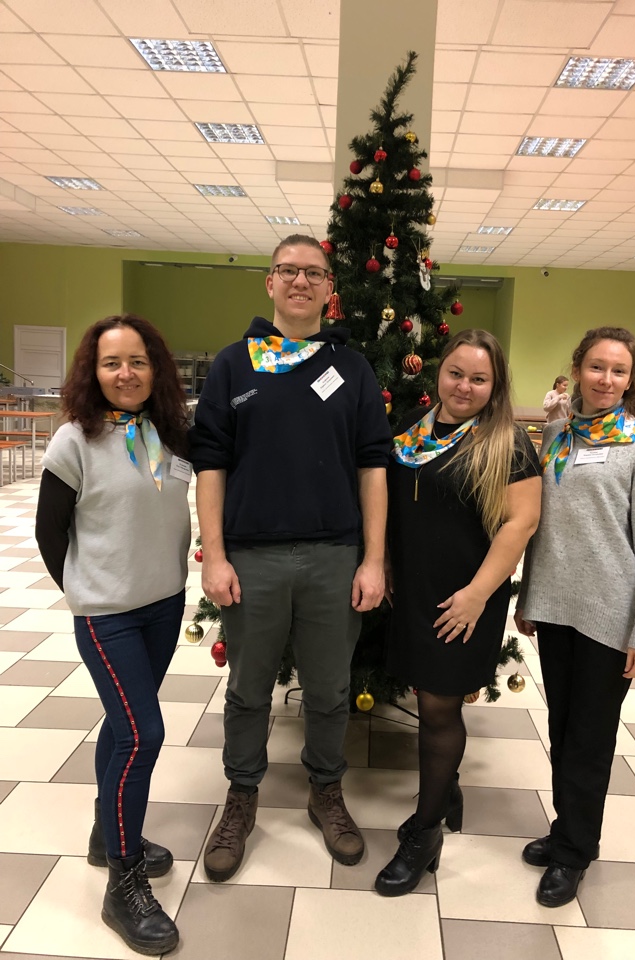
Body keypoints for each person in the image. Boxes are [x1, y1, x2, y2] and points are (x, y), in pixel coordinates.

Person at [189, 234, 390, 882]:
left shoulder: (351, 368)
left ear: (330, 288)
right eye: (288, 270)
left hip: (334, 557)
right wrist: (214, 556)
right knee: (248, 690)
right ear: (269, 283)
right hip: (252, 559)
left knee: (330, 690)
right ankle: (241, 795)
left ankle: (325, 790)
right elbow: (211, 465)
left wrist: (374, 560)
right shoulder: (233, 365)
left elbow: (374, 467)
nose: (301, 281)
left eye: (314, 273)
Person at [35, 315, 191, 955]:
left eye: (137, 361)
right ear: (92, 371)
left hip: (165, 605)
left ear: (155, 369)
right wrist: (88, 591)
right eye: (111, 363)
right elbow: (50, 532)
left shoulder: (171, 434)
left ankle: (108, 834)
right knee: (142, 733)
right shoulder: (74, 440)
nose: (126, 374)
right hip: (109, 616)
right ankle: (122, 885)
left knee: (122, 724)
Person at [374, 329, 542, 897]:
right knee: (426, 695)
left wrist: (477, 595)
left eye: (478, 378)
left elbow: (521, 522)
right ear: (438, 372)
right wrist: (386, 560)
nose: (464, 386)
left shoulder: (507, 442)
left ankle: (424, 836)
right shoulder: (413, 428)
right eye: (455, 373)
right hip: (415, 588)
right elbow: (397, 503)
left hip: (465, 596)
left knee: (439, 708)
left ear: (495, 385)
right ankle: (445, 792)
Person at [515, 326, 635, 908]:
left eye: (618, 371)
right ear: (577, 369)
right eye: (597, 367)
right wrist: (529, 598)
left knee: (590, 737)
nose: (606, 379)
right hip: (555, 610)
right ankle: (566, 830)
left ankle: (575, 851)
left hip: (609, 616)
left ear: (630, 380)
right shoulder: (556, 434)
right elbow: (539, 526)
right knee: (562, 727)